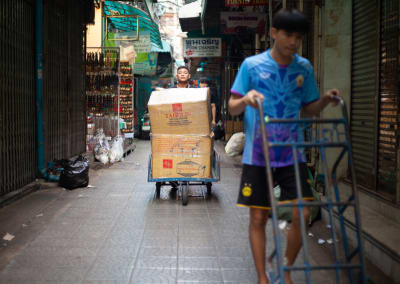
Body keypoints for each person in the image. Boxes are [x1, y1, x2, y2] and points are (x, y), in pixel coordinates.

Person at [228, 8, 340, 284]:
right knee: (258, 217)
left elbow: (310, 108)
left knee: (302, 214)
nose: (293, 42)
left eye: (299, 37)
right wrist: (245, 101)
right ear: (274, 33)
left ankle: (286, 269)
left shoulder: (304, 67)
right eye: (288, 34)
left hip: (292, 153)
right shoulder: (252, 66)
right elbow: (231, 108)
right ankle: (263, 277)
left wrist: (325, 99)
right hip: (257, 155)